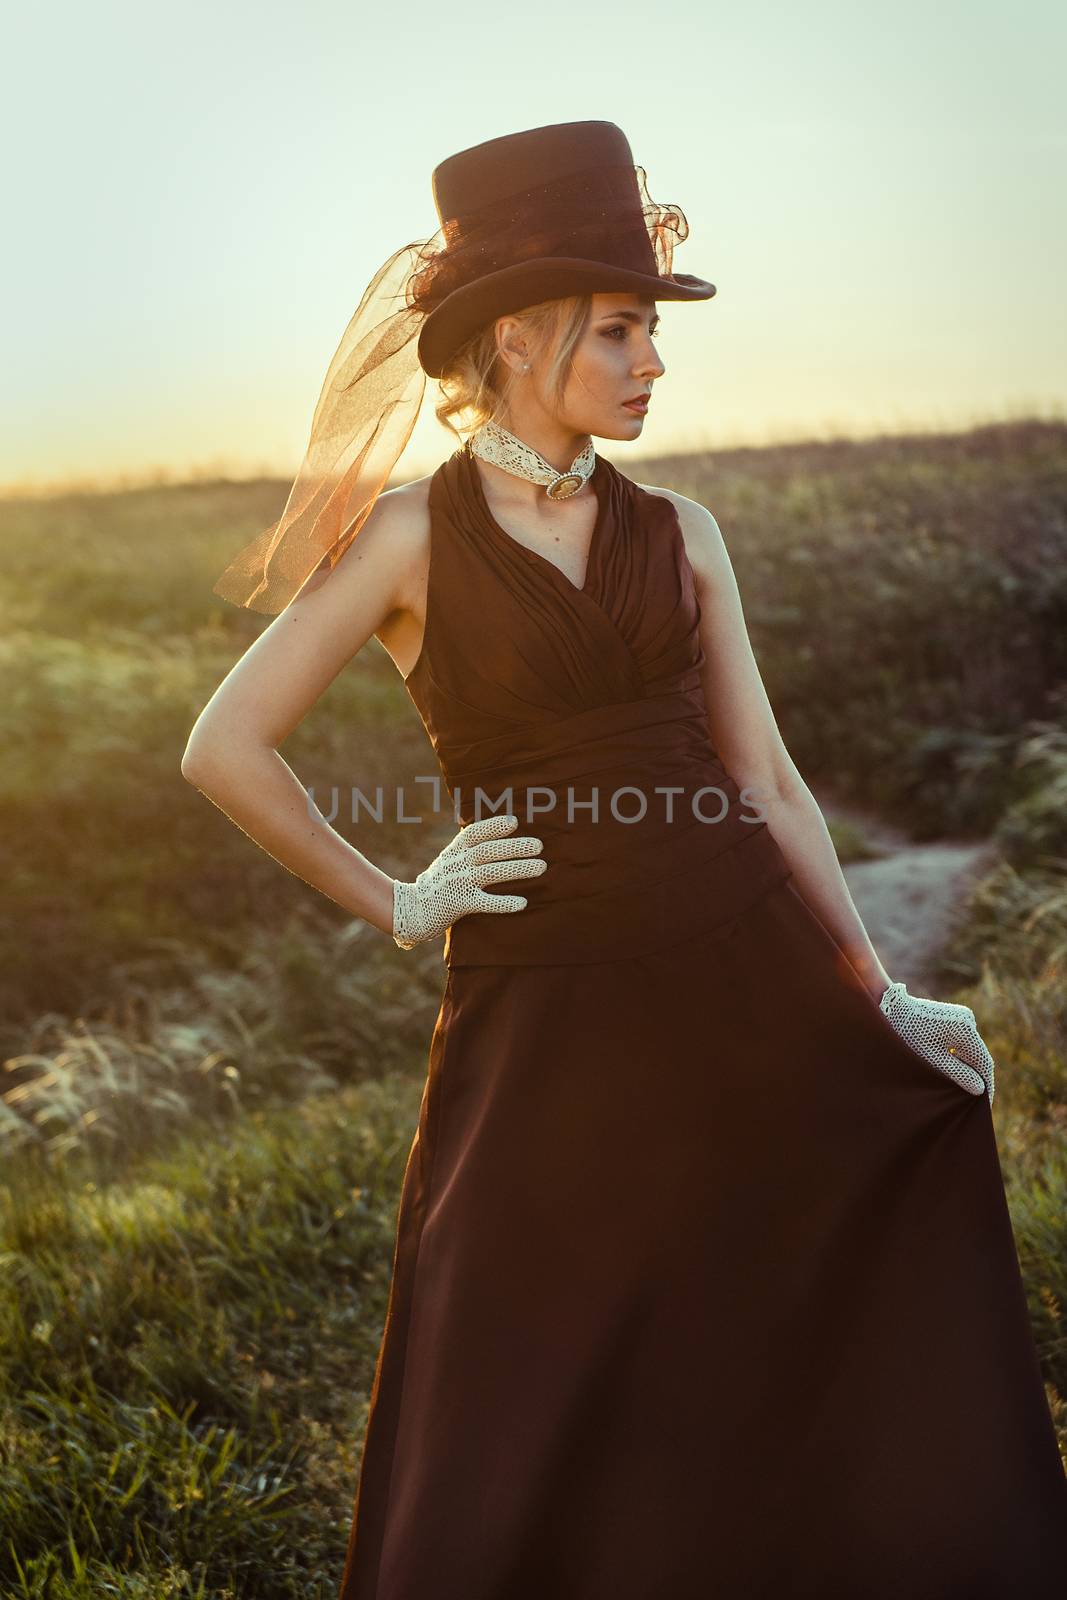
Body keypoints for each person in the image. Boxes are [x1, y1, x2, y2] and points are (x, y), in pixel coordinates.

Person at [182, 121, 1067, 1599]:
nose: (654, 362)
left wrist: (876, 991)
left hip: (745, 967)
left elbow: (767, 781)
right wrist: (398, 898)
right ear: (520, 340)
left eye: (653, 330)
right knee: (531, 1348)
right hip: (545, 1006)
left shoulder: (687, 533)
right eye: (622, 330)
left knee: (772, 1310)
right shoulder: (409, 540)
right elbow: (225, 746)